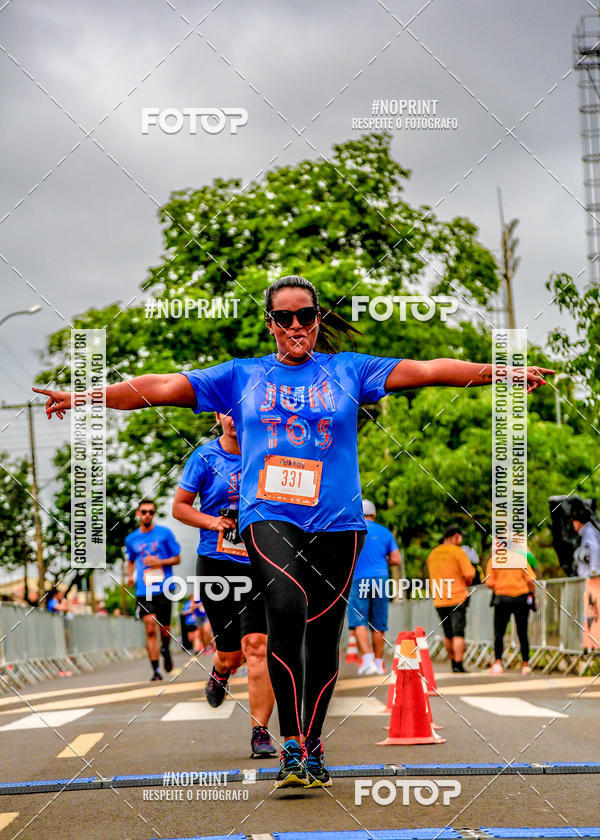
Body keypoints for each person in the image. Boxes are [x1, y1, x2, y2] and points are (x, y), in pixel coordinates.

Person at [34, 273, 552, 787]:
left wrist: (497, 372)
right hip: (269, 516)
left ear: (318, 318)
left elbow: (427, 369)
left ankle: (314, 744)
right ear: (271, 324)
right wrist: (86, 396)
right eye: (285, 318)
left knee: (324, 636)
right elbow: (161, 387)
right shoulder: (241, 376)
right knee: (285, 606)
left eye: (306, 315)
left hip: (338, 522)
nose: (297, 325)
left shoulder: (350, 370)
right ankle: (288, 744)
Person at [172, 412, 276, 759]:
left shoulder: (268, 452)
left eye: (240, 411)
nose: (234, 419)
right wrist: (213, 521)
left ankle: (260, 732)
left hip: (259, 564)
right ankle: (219, 670)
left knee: (258, 646)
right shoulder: (204, 457)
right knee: (232, 654)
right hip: (216, 566)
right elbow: (180, 508)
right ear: (218, 416)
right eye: (226, 412)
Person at [125, 498, 181, 681]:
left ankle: (165, 648)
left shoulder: (164, 534)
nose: (147, 515)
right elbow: (131, 560)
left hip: (164, 587)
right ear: (138, 514)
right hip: (144, 590)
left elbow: (177, 558)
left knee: (164, 631)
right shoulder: (131, 539)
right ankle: (156, 670)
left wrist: (159, 562)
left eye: (151, 512)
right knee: (150, 627)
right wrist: (129, 576)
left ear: (154, 514)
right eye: (144, 512)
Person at [347, 499, 402, 675]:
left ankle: (368, 660)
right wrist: (382, 560)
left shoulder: (353, 532)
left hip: (358, 579)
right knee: (378, 622)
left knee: (360, 621)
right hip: (381, 579)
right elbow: (397, 559)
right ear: (374, 514)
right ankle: (378, 663)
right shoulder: (385, 532)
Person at [426, 524, 476, 673]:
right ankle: (459, 664)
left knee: (447, 633)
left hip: (440, 599)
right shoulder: (458, 552)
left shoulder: (432, 554)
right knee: (458, 633)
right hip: (457, 597)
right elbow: (469, 574)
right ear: (456, 536)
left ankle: (453, 662)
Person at [485, 544, 536, 674]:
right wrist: (531, 595)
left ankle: (498, 663)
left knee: (499, 632)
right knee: (522, 632)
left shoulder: (494, 560)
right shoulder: (520, 559)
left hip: (502, 598)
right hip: (521, 598)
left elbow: (489, 583)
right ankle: (526, 664)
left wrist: (500, 584)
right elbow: (530, 580)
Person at [571, 506, 600, 650]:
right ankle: (591, 643)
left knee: (592, 610)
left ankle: (592, 644)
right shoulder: (589, 531)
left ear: (577, 522)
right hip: (591, 579)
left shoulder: (588, 532)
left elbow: (595, 548)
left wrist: (594, 570)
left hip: (593, 579)